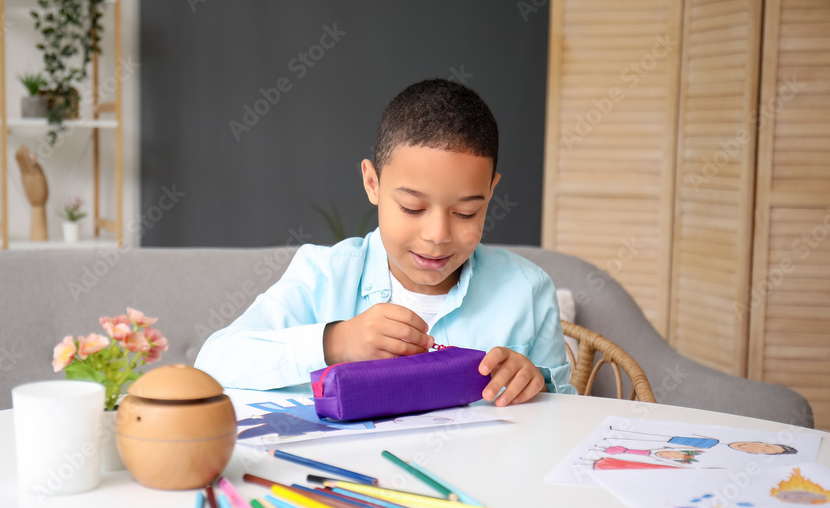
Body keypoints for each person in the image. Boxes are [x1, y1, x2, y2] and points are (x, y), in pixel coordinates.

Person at [195, 78, 576, 405]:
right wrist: (335, 342)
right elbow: (213, 363)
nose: (438, 235)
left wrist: (536, 384)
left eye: (465, 213)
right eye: (412, 208)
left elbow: (565, 415)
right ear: (372, 183)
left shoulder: (527, 291)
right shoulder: (323, 275)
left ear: (490, 193)